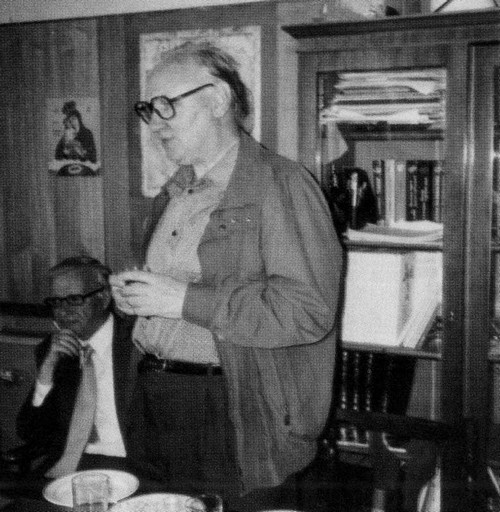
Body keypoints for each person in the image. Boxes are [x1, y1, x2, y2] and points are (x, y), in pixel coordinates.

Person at [110, 41, 344, 511]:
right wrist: (136, 298)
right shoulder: (174, 192)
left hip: (230, 408)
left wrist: (181, 300)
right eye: (148, 110)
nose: (155, 124)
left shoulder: (281, 184)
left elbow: (307, 311)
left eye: (166, 106)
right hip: (153, 398)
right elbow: (175, 295)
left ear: (217, 100)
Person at [1, 256, 156, 505]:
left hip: (133, 468)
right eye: (56, 302)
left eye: (74, 299)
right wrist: (45, 374)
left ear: (103, 297)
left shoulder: (141, 344)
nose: (63, 311)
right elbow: (30, 433)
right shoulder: (55, 350)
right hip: (70, 467)